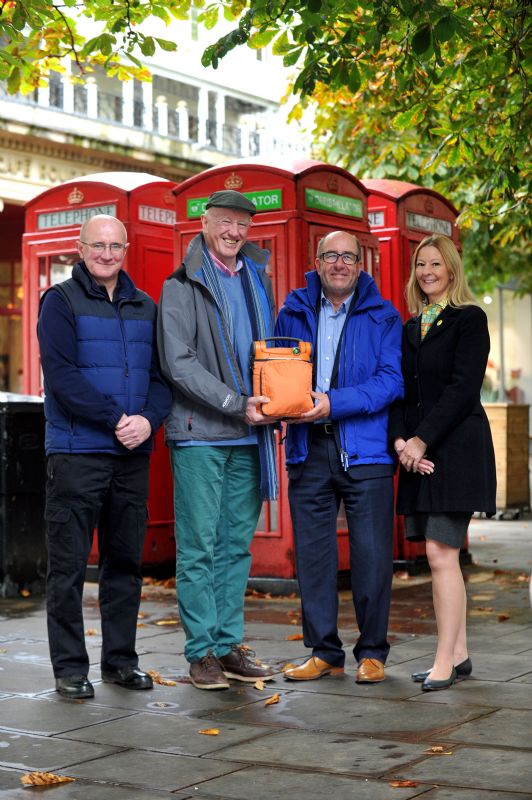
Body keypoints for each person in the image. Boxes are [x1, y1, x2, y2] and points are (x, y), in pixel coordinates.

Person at [38, 214, 171, 700]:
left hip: (132, 454)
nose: (107, 255)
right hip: (76, 454)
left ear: (127, 248)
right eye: (98, 246)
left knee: (124, 564)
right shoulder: (59, 301)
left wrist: (149, 421)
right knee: (69, 567)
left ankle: (120, 661)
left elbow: (161, 378)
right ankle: (71, 669)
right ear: (80, 247)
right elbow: (61, 376)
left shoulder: (145, 306)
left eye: (115, 246)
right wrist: (118, 418)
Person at [157, 190, 278, 690]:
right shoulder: (181, 283)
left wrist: (278, 402)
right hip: (200, 435)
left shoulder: (256, 278)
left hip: (250, 436)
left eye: (243, 225)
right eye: (225, 222)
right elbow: (177, 362)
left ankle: (228, 644)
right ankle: (200, 651)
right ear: (205, 223)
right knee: (199, 547)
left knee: (234, 547)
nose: (234, 232)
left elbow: (270, 352)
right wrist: (236, 403)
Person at [276, 230, 403, 684]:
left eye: (348, 257)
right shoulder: (292, 310)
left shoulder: (383, 316)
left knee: (371, 556)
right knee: (312, 557)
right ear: (317, 260)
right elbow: (277, 371)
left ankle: (372, 651)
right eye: (331, 255)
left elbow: (391, 382)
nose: (340, 264)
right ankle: (324, 651)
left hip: (364, 450)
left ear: (359, 265)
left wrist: (335, 401)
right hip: (308, 448)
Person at [389, 234, 496, 691]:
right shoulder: (412, 327)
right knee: (438, 554)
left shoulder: (470, 319)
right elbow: (403, 390)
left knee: (440, 553)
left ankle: (442, 662)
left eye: (436, 264)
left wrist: (421, 440)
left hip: (456, 448)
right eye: (421, 265)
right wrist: (400, 442)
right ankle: (459, 653)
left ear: (452, 269)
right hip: (418, 450)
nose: (427, 272)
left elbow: (462, 389)